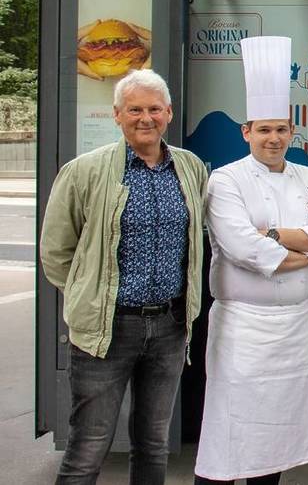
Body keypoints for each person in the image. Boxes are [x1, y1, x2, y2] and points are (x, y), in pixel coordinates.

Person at [39, 69, 208, 484]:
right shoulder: (84, 172)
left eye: (154, 109)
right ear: (117, 115)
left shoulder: (188, 168)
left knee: (153, 443)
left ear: (168, 113)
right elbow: (56, 252)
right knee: (88, 447)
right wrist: (89, 296)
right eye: (134, 109)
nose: (145, 117)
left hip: (169, 328)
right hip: (106, 328)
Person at [193, 37, 308, 484]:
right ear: (247, 132)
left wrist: (277, 237)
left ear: (292, 132)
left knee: (276, 433)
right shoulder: (225, 180)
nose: (273, 138)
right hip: (243, 325)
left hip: (294, 327)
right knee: (229, 424)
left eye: (281, 129)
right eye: (264, 129)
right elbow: (243, 247)